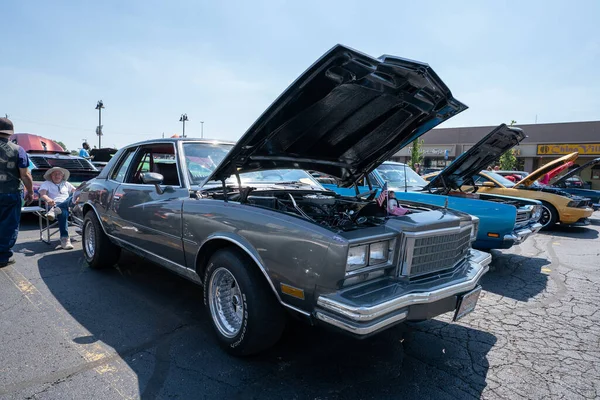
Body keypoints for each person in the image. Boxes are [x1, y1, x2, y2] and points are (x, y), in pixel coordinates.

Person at [0, 117, 34, 267]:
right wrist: (31, 191)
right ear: (10, 133)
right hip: (10, 192)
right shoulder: (18, 150)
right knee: (8, 224)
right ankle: (3, 256)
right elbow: (25, 174)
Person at [38, 167, 76, 250]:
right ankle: (65, 239)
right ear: (51, 176)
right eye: (54, 174)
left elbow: (75, 192)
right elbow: (42, 194)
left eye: (59, 174)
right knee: (63, 212)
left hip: (68, 204)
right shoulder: (46, 183)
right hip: (53, 204)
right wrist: (48, 199)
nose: (57, 175)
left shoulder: (66, 183)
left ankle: (55, 210)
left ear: (62, 176)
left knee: (73, 197)